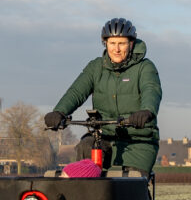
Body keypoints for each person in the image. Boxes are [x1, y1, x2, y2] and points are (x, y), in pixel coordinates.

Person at [44, 18, 162, 175]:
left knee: (132, 182)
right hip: (103, 136)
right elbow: (76, 92)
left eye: (122, 43)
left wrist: (147, 111)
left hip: (137, 139)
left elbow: (151, 90)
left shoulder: (145, 67)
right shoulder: (96, 67)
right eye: (112, 43)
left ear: (131, 44)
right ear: (105, 43)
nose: (117, 49)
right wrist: (59, 112)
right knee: (86, 152)